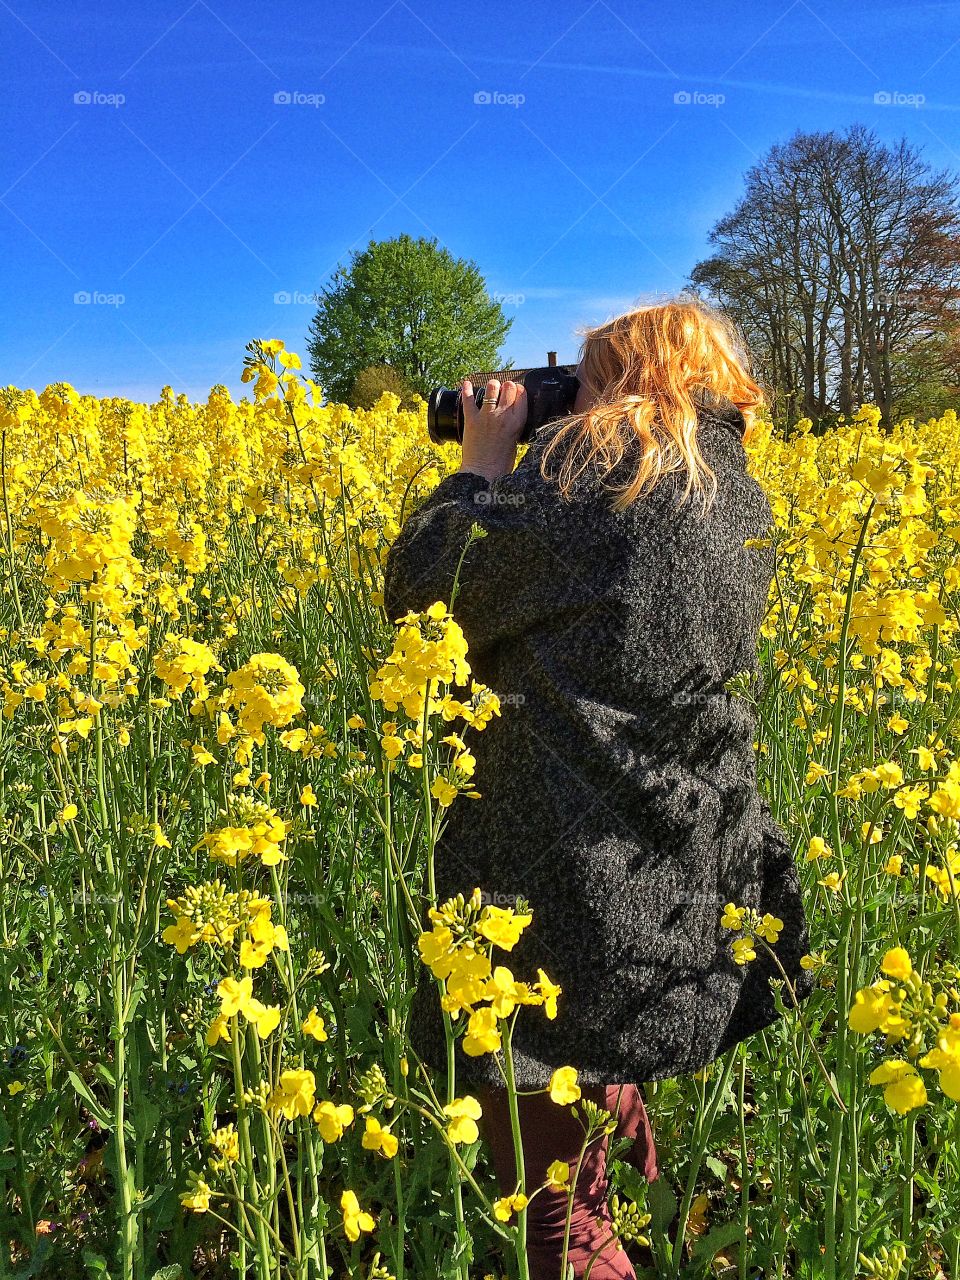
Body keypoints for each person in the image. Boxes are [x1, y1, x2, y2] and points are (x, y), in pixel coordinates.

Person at [382, 298, 816, 1278]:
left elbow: (424, 591)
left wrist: (482, 464)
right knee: (609, 1038)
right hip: (679, 863)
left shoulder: (585, 490)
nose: (558, 403)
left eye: (576, 383)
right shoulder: (734, 494)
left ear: (626, 385)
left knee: (558, 1225)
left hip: (558, 882)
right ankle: (626, 1145)